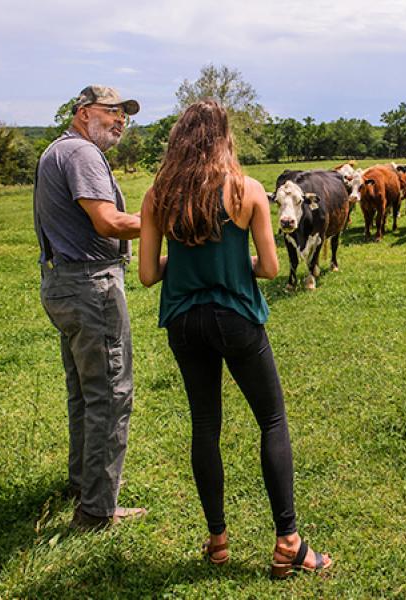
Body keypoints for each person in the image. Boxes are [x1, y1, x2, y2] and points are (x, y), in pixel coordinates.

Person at [138, 99, 332, 576]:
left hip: (184, 321)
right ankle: (288, 540)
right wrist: (232, 265)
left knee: (205, 425)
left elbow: (146, 274)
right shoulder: (246, 190)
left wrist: (185, 266)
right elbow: (268, 267)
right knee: (271, 420)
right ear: (224, 138)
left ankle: (218, 540)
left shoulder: (157, 195)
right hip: (236, 318)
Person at [34, 85, 146, 530]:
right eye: (111, 112)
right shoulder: (81, 154)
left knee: (84, 391)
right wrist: (173, 218)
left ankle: (83, 484)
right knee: (111, 394)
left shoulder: (58, 151)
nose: (120, 120)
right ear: (83, 114)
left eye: (125, 115)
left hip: (63, 282)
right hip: (89, 286)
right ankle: (97, 510)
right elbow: (108, 221)